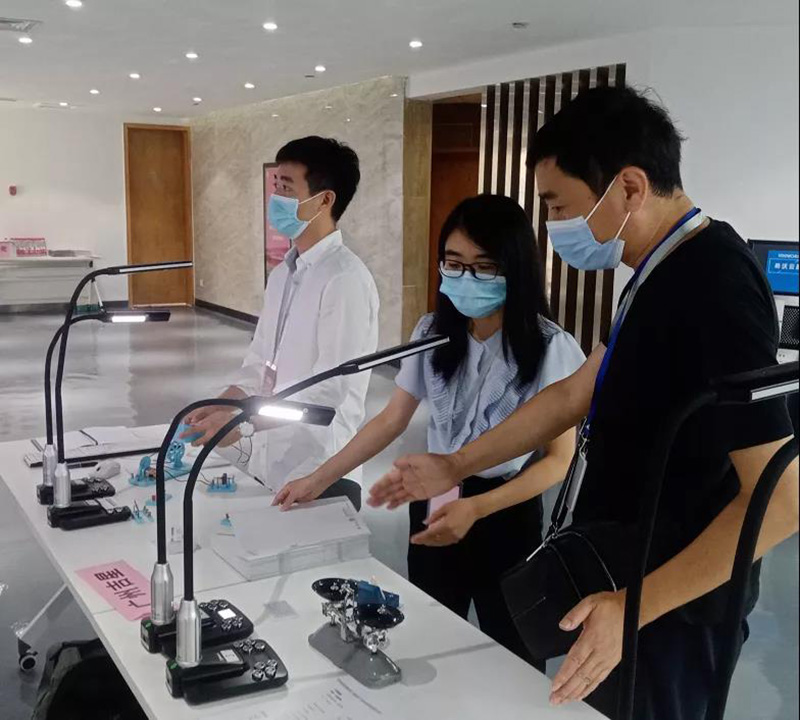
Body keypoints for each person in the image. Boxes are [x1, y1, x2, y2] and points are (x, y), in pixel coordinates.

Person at [369, 86, 799, 719]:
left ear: (629, 187)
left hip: (671, 606)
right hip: (618, 578)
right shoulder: (654, 272)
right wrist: (454, 465)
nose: (553, 227)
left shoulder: (715, 282)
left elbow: (781, 500)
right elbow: (575, 394)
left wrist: (636, 607)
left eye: (558, 205)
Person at [274, 194, 585, 666]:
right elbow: (391, 418)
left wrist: (478, 507)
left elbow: (559, 461)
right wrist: (318, 479)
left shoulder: (550, 347)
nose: (465, 278)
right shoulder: (432, 333)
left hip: (504, 510)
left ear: (515, 268)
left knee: (513, 653)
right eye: (453, 264)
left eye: (484, 267)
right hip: (434, 498)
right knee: (427, 635)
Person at [184, 136, 379, 510]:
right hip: (270, 461)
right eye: (276, 186)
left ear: (324, 200)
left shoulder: (345, 280)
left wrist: (242, 423)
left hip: (320, 471)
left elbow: (327, 393)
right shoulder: (283, 275)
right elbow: (259, 365)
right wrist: (219, 405)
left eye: (287, 188)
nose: (275, 198)